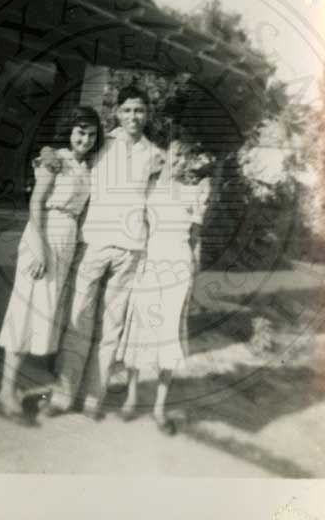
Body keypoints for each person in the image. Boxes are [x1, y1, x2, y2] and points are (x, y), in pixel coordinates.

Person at [43, 84, 162, 420]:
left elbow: (160, 200)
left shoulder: (155, 155)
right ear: (117, 112)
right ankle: (63, 395)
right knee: (78, 318)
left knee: (111, 325)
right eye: (127, 110)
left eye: (139, 110)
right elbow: (69, 154)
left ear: (147, 114)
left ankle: (93, 397)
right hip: (93, 241)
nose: (133, 116)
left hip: (131, 249)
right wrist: (47, 154)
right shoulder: (101, 143)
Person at [0, 106, 103, 423]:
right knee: (25, 311)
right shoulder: (55, 160)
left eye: (91, 134)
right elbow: (36, 203)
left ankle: (11, 388)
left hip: (65, 242)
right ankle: (5, 392)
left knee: (41, 315)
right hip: (44, 236)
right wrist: (39, 249)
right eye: (80, 131)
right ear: (70, 131)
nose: (85, 139)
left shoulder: (86, 167)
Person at [118, 140, 212, 435]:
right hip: (151, 261)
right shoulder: (149, 188)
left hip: (179, 266)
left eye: (185, 158)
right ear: (165, 157)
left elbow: (196, 238)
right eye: (175, 156)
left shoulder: (193, 192)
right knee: (140, 328)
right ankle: (131, 396)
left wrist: (194, 270)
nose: (180, 162)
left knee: (169, 333)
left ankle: (159, 407)